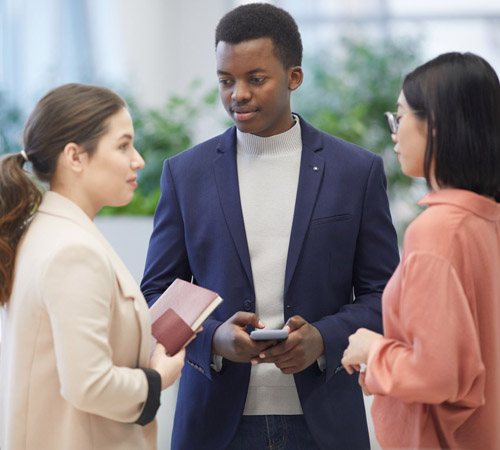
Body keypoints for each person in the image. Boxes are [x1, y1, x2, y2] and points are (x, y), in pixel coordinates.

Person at [141, 3, 399, 450]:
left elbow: (385, 296)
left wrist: (323, 338)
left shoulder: (355, 171)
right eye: (226, 80)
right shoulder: (186, 174)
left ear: (294, 77)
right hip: (216, 424)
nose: (237, 94)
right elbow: (157, 292)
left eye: (255, 79)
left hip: (323, 421)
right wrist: (214, 337)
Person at [0, 83, 188, 450]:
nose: (138, 160)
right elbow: (89, 384)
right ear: (75, 157)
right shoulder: (72, 250)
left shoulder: (46, 232)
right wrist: (158, 378)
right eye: (122, 145)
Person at [341, 52, 500, 449]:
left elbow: (437, 374)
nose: (394, 132)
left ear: (437, 127)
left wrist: (372, 349)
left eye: (400, 116)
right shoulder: (485, 220)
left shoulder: (436, 231)